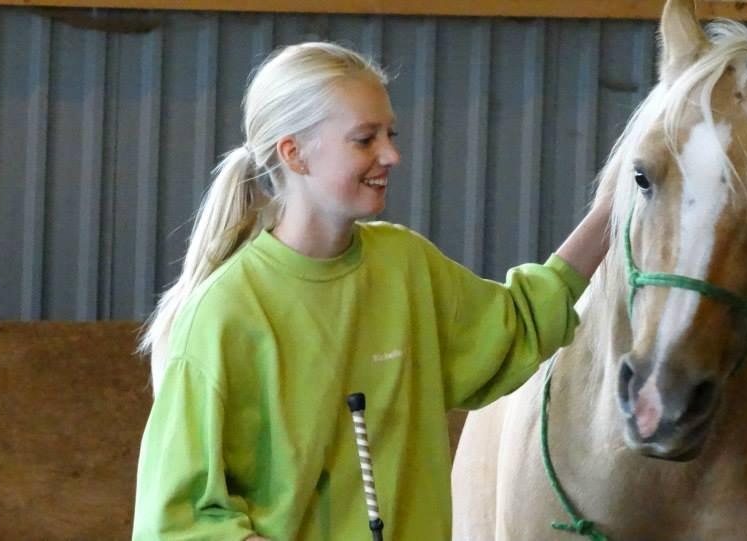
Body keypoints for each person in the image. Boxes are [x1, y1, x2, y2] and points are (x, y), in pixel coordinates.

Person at [133, 41, 610, 540]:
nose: (391, 155)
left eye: (390, 134)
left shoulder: (406, 265)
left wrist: (615, 207)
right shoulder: (225, 313)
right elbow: (177, 522)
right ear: (294, 153)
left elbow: (517, 324)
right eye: (365, 139)